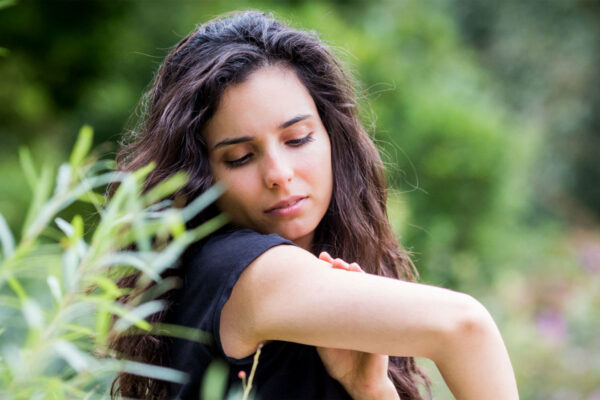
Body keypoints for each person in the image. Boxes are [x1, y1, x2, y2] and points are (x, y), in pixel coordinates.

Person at [110, 10, 519, 400]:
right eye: (239, 157)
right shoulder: (244, 271)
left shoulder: (288, 285)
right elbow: (465, 327)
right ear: (202, 174)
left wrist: (372, 390)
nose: (279, 173)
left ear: (331, 136)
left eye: (298, 138)